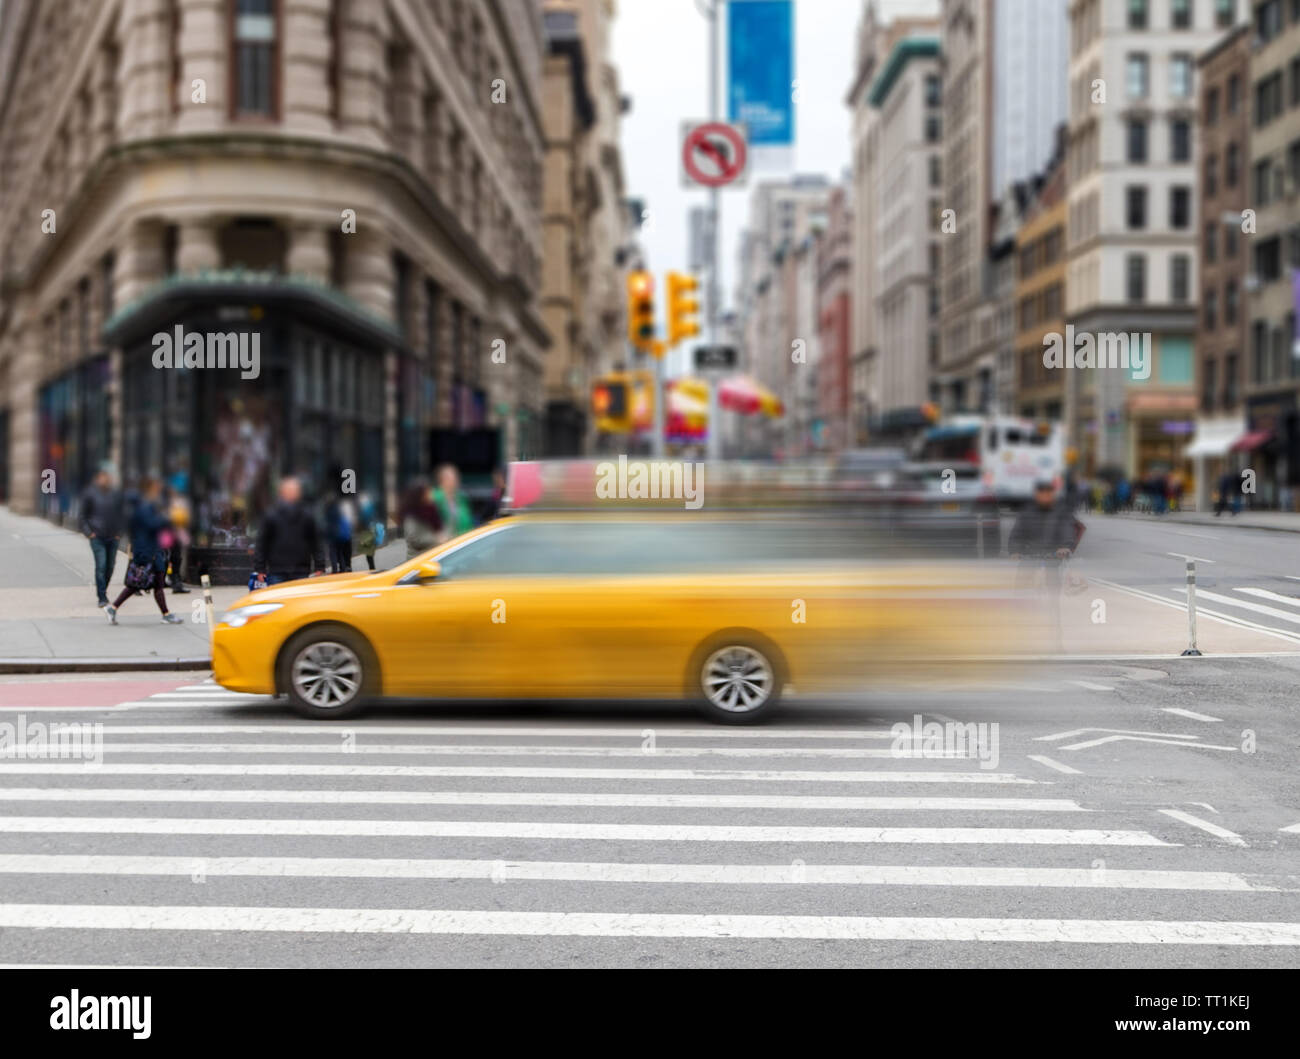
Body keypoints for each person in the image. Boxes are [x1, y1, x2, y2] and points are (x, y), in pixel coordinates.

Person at [105, 477, 183, 625]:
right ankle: (166, 615)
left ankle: (114, 608)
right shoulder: (143, 509)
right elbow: (153, 525)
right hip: (150, 552)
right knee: (152, 583)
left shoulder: (136, 510)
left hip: (147, 550)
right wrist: (166, 518)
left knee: (142, 584)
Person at [253, 477, 326, 586]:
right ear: (281, 493)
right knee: (278, 601)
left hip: (301, 570)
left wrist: (319, 565)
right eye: (289, 490)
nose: (292, 493)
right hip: (277, 571)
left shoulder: (307, 515)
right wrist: (260, 569)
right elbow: (262, 543)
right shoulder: (271, 515)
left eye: (294, 490)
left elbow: (316, 541)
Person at [79, 463, 126, 608]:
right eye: (103, 477)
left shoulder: (115, 494)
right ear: (97, 479)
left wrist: (119, 532)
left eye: (108, 478)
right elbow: (82, 516)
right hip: (97, 536)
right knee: (101, 565)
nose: (106, 480)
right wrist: (89, 533)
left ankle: (103, 590)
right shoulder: (90, 494)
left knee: (110, 566)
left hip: (113, 536)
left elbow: (122, 514)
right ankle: (102, 596)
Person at [432, 463, 475, 542]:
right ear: (443, 479)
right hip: (441, 546)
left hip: (463, 542)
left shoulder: (461, 498)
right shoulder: (434, 498)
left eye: (457, 477)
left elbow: (468, 522)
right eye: (454, 478)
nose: (457, 480)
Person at [402, 479, 442, 560]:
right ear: (420, 496)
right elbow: (414, 539)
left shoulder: (431, 509)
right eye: (428, 492)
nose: (431, 495)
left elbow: (439, 528)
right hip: (418, 560)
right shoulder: (412, 514)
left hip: (431, 557)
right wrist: (436, 539)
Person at [165, 481, 191, 594]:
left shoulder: (179, 502)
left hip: (177, 533)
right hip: (168, 534)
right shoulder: (165, 503)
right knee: (170, 558)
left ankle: (175, 580)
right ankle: (172, 580)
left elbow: (185, 518)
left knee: (176, 557)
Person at [324, 490, 357, 574]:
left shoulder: (329, 510)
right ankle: (343, 568)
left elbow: (328, 523)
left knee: (333, 552)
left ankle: (335, 570)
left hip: (334, 534)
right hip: (342, 534)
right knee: (340, 552)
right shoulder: (339, 509)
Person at [355, 494, 385, 570]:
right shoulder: (370, 508)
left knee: (369, 554)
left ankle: (372, 568)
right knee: (369, 554)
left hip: (368, 533)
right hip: (371, 531)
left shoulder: (366, 510)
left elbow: (364, 520)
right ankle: (372, 568)